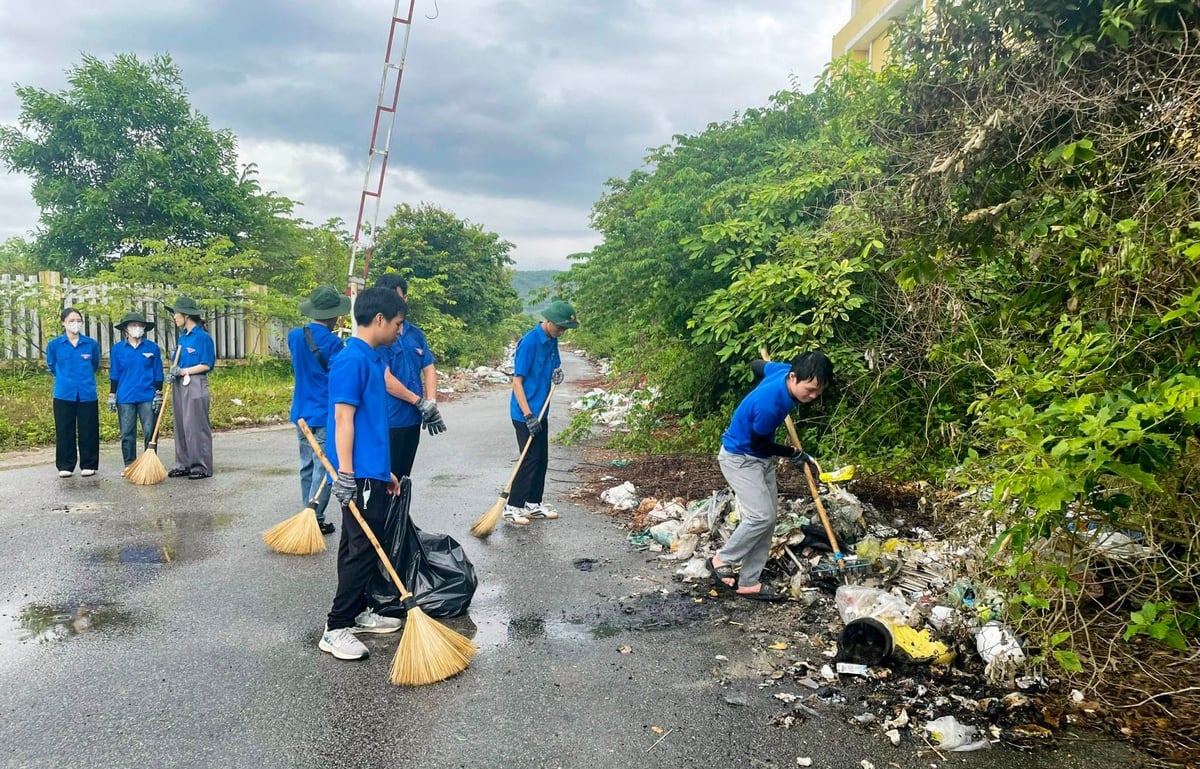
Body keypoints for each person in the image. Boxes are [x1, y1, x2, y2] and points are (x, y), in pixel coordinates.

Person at [319, 286, 407, 661]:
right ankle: (336, 627)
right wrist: (347, 473)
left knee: (357, 544)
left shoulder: (372, 358)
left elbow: (371, 423)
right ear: (379, 319)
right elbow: (344, 418)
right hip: (357, 474)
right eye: (398, 324)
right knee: (362, 548)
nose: (400, 331)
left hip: (373, 471)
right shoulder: (351, 360)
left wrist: (384, 471)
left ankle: (356, 612)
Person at [707, 350, 834, 601]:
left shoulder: (782, 370)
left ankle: (749, 582)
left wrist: (764, 377)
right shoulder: (770, 406)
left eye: (818, 392)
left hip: (760, 459)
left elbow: (757, 365)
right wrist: (792, 453)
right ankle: (721, 560)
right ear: (794, 377)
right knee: (760, 516)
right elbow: (759, 444)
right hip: (740, 458)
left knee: (769, 519)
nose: (812, 396)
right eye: (810, 390)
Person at [504, 300, 579, 525]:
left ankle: (533, 503)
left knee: (541, 459)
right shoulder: (529, 342)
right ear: (549, 321)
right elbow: (517, 382)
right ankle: (512, 507)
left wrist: (557, 373)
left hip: (542, 410)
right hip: (525, 413)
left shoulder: (552, 340)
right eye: (560, 327)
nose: (562, 332)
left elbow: (555, 366)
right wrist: (528, 415)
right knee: (529, 459)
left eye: (565, 329)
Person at [287, 285, 348, 535]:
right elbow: (338, 377)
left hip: (301, 411)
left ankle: (306, 511)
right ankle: (315, 515)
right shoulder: (335, 343)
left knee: (306, 464)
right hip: (323, 412)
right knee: (323, 466)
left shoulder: (294, 336)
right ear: (333, 316)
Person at [374, 274, 445, 480]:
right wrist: (419, 402)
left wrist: (430, 402)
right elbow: (386, 379)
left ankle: (401, 503)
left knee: (404, 478)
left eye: (396, 298)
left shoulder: (415, 334)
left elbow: (428, 368)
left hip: (413, 418)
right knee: (386, 479)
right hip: (388, 420)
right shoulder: (378, 337)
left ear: (405, 299)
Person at [165, 296, 216, 480]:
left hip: (195, 383)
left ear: (186, 315)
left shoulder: (202, 337)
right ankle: (183, 464)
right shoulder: (182, 338)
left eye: (176, 313)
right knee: (181, 424)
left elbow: (206, 364)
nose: (174, 317)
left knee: (195, 425)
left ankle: (200, 466)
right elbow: (176, 361)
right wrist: (173, 372)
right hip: (179, 383)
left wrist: (184, 371)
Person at [46, 307, 101, 478]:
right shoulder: (54, 345)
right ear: (63, 323)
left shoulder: (90, 344)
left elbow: (95, 365)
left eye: (78, 320)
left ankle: (89, 464)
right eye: (71, 321)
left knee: (89, 429)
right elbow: (52, 366)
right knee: (64, 429)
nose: (75, 324)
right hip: (64, 393)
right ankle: (66, 465)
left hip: (87, 393)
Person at [109, 311, 164, 471]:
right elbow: (115, 373)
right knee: (127, 432)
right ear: (126, 329)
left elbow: (158, 372)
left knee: (150, 431)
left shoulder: (152, 348)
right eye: (133, 325)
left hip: (148, 395)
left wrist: (158, 393)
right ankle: (130, 464)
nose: (137, 328)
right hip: (125, 396)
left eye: (140, 325)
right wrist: (112, 395)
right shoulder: (118, 349)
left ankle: (149, 464)